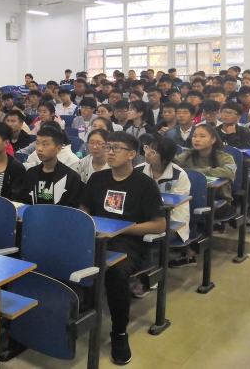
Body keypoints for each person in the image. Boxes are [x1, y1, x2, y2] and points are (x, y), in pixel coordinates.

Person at [79, 132, 166, 365]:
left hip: (129, 243)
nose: (110, 152)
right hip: (96, 238)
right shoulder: (97, 179)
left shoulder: (145, 184)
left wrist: (123, 228)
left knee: (116, 273)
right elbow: (84, 210)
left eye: (116, 148)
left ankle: (119, 332)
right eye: (108, 147)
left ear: (131, 154)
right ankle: (78, 311)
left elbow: (159, 224)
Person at [132, 136, 191, 296]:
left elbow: (174, 206)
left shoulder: (179, 175)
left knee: (146, 237)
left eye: (153, 151)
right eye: (147, 148)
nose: (147, 153)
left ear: (165, 157)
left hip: (173, 222)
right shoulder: (139, 170)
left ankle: (147, 279)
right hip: (144, 218)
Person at [20, 125, 82, 207]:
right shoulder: (31, 173)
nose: (39, 148)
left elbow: (71, 209)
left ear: (58, 148)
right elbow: (24, 203)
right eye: (37, 143)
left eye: (45, 144)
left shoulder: (71, 177)